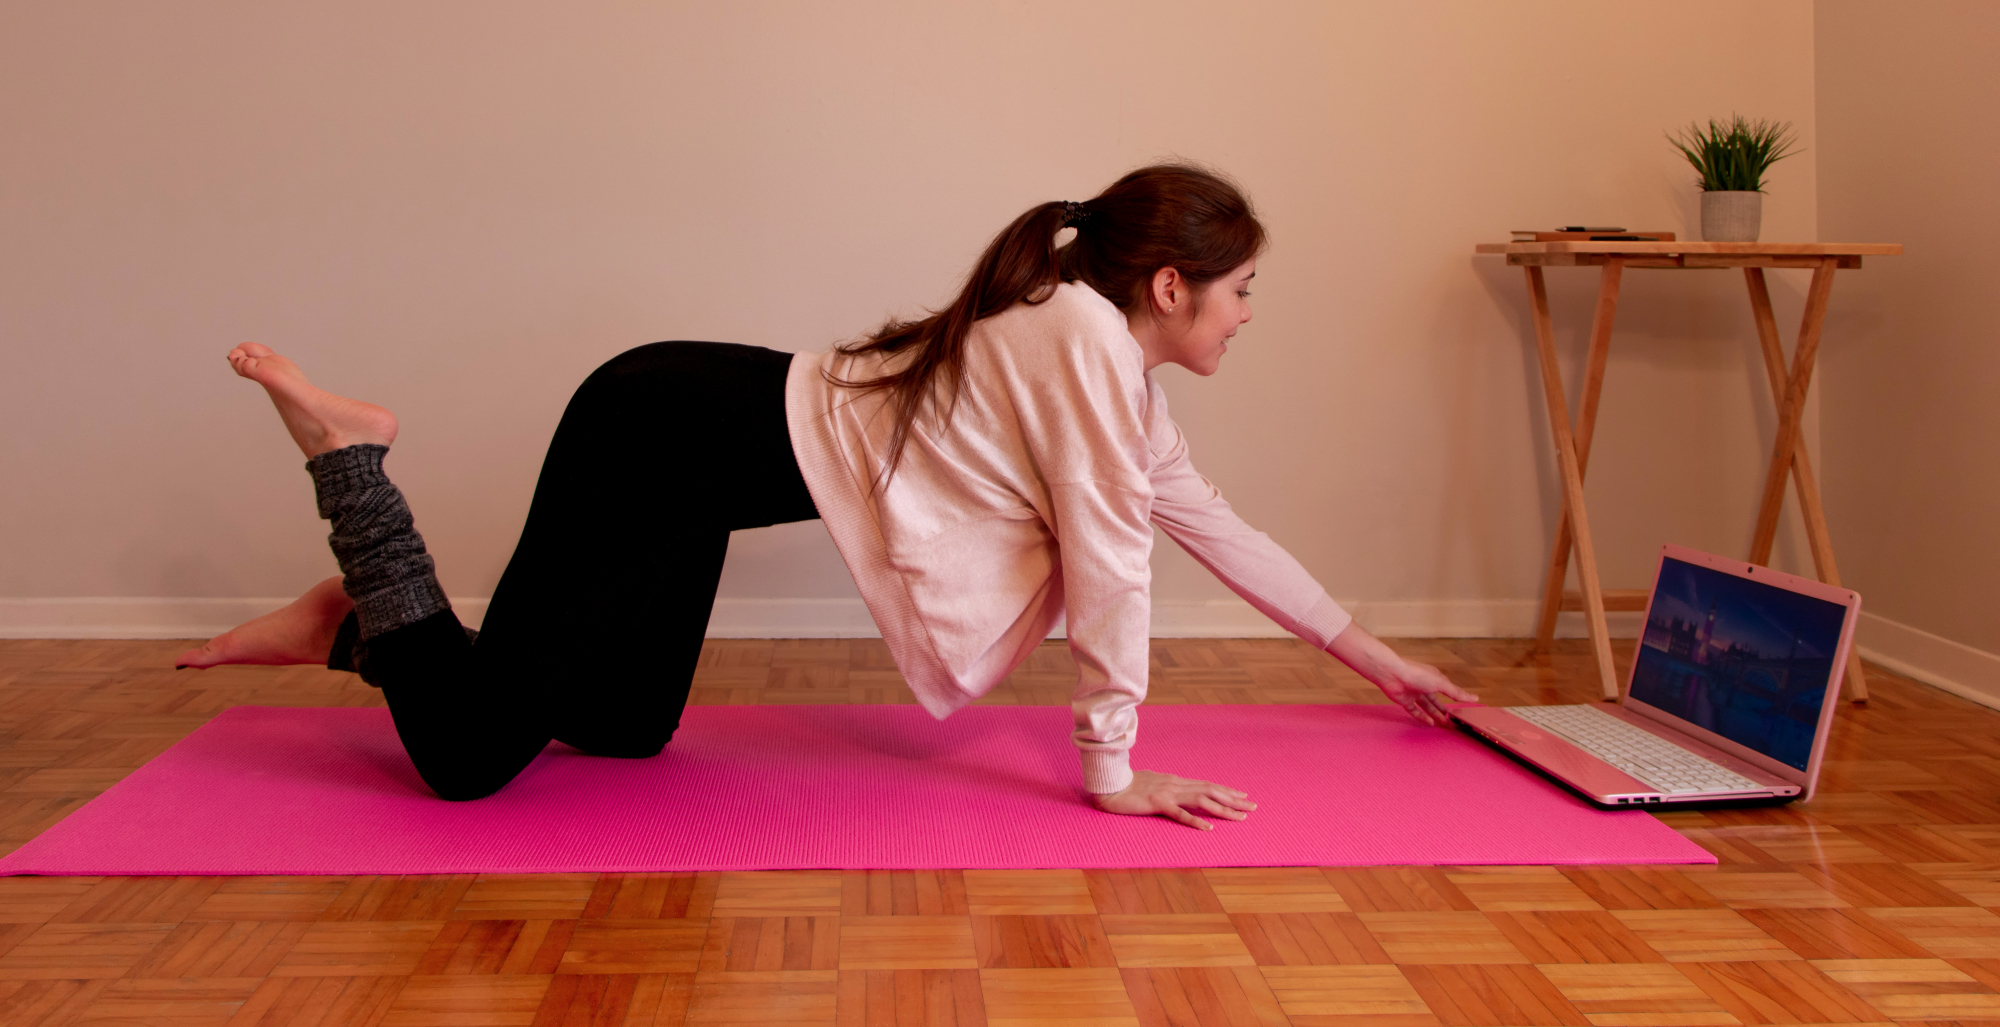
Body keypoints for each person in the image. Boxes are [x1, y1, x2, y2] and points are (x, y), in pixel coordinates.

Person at [177, 162, 1476, 829]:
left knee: (626, 731)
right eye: (1243, 288)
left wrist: (1376, 660)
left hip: (693, 474)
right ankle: (348, 460)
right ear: (1174, 286)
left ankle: (353, 627)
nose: (1252, 315)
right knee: (463, 768)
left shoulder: (1118, 383)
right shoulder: (1081, 339)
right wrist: (1112, 771)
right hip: (655, 432)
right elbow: (1117, 560)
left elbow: (1209, 528)